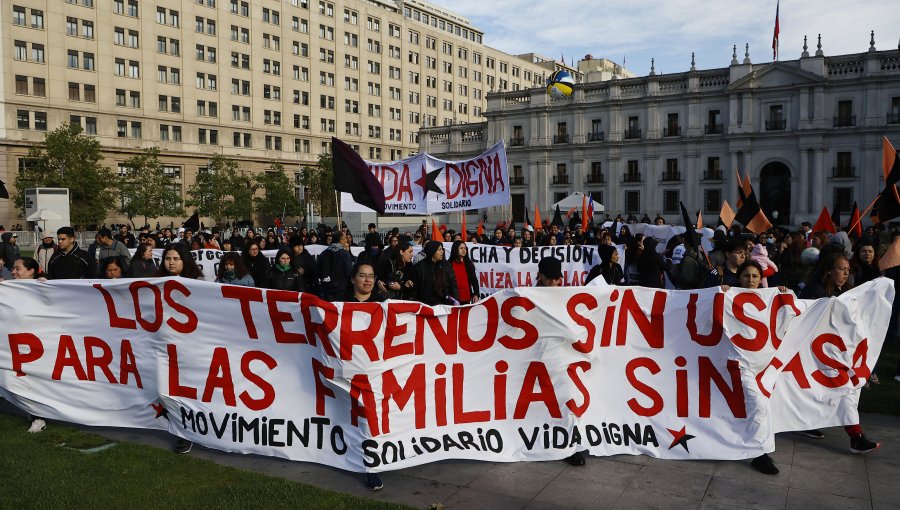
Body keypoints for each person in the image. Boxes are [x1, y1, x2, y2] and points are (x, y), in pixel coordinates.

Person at [798, 253, 880, 454]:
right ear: (828, 270)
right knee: (839, 389)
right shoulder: (815, 290)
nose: (846, 273)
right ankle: (855, 437)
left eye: (848, 270)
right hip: (813, 354)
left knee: (842, 390)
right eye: (841, 269)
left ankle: (854, 436)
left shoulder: (847, 292)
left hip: (833, 354)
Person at [719, 260, 788, 474]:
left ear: (761, 279)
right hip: (740, 363)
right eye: (746, 276)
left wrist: (784, 296)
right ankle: (759, 454)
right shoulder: (728, 296)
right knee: (757, 404)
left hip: (765, 364)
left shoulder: (771, 299)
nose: (751, 280)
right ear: (739, 278)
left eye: (755, 276)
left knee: (763, 405)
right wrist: (721, 293)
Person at [155, 243, 203, 454]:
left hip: (190, 349)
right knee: (167, 391)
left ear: (184, 260)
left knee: (190, 392)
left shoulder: (199, 284)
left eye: (175, 259)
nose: (171, 263)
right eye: (168, 259)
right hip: (164, 347)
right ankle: (181, 432)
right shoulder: (155, 283)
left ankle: (190, 432)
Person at [415, 241, 458, 306]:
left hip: (444, 304)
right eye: (439, 250)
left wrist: (455, 299)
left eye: (442, 249)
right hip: (425, 304)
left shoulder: (446, 265)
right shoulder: (419, 266)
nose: (442, 252)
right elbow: (416, 288)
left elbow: (453, 284)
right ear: (432, 251)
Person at [317, 230, 353, 301]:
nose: (346, 240)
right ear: (341, 240)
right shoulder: (344, 254)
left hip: (325, 291)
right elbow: (349, 272)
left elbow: (318, 271)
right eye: (345, 238)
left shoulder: (323, 254)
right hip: (340, 292)